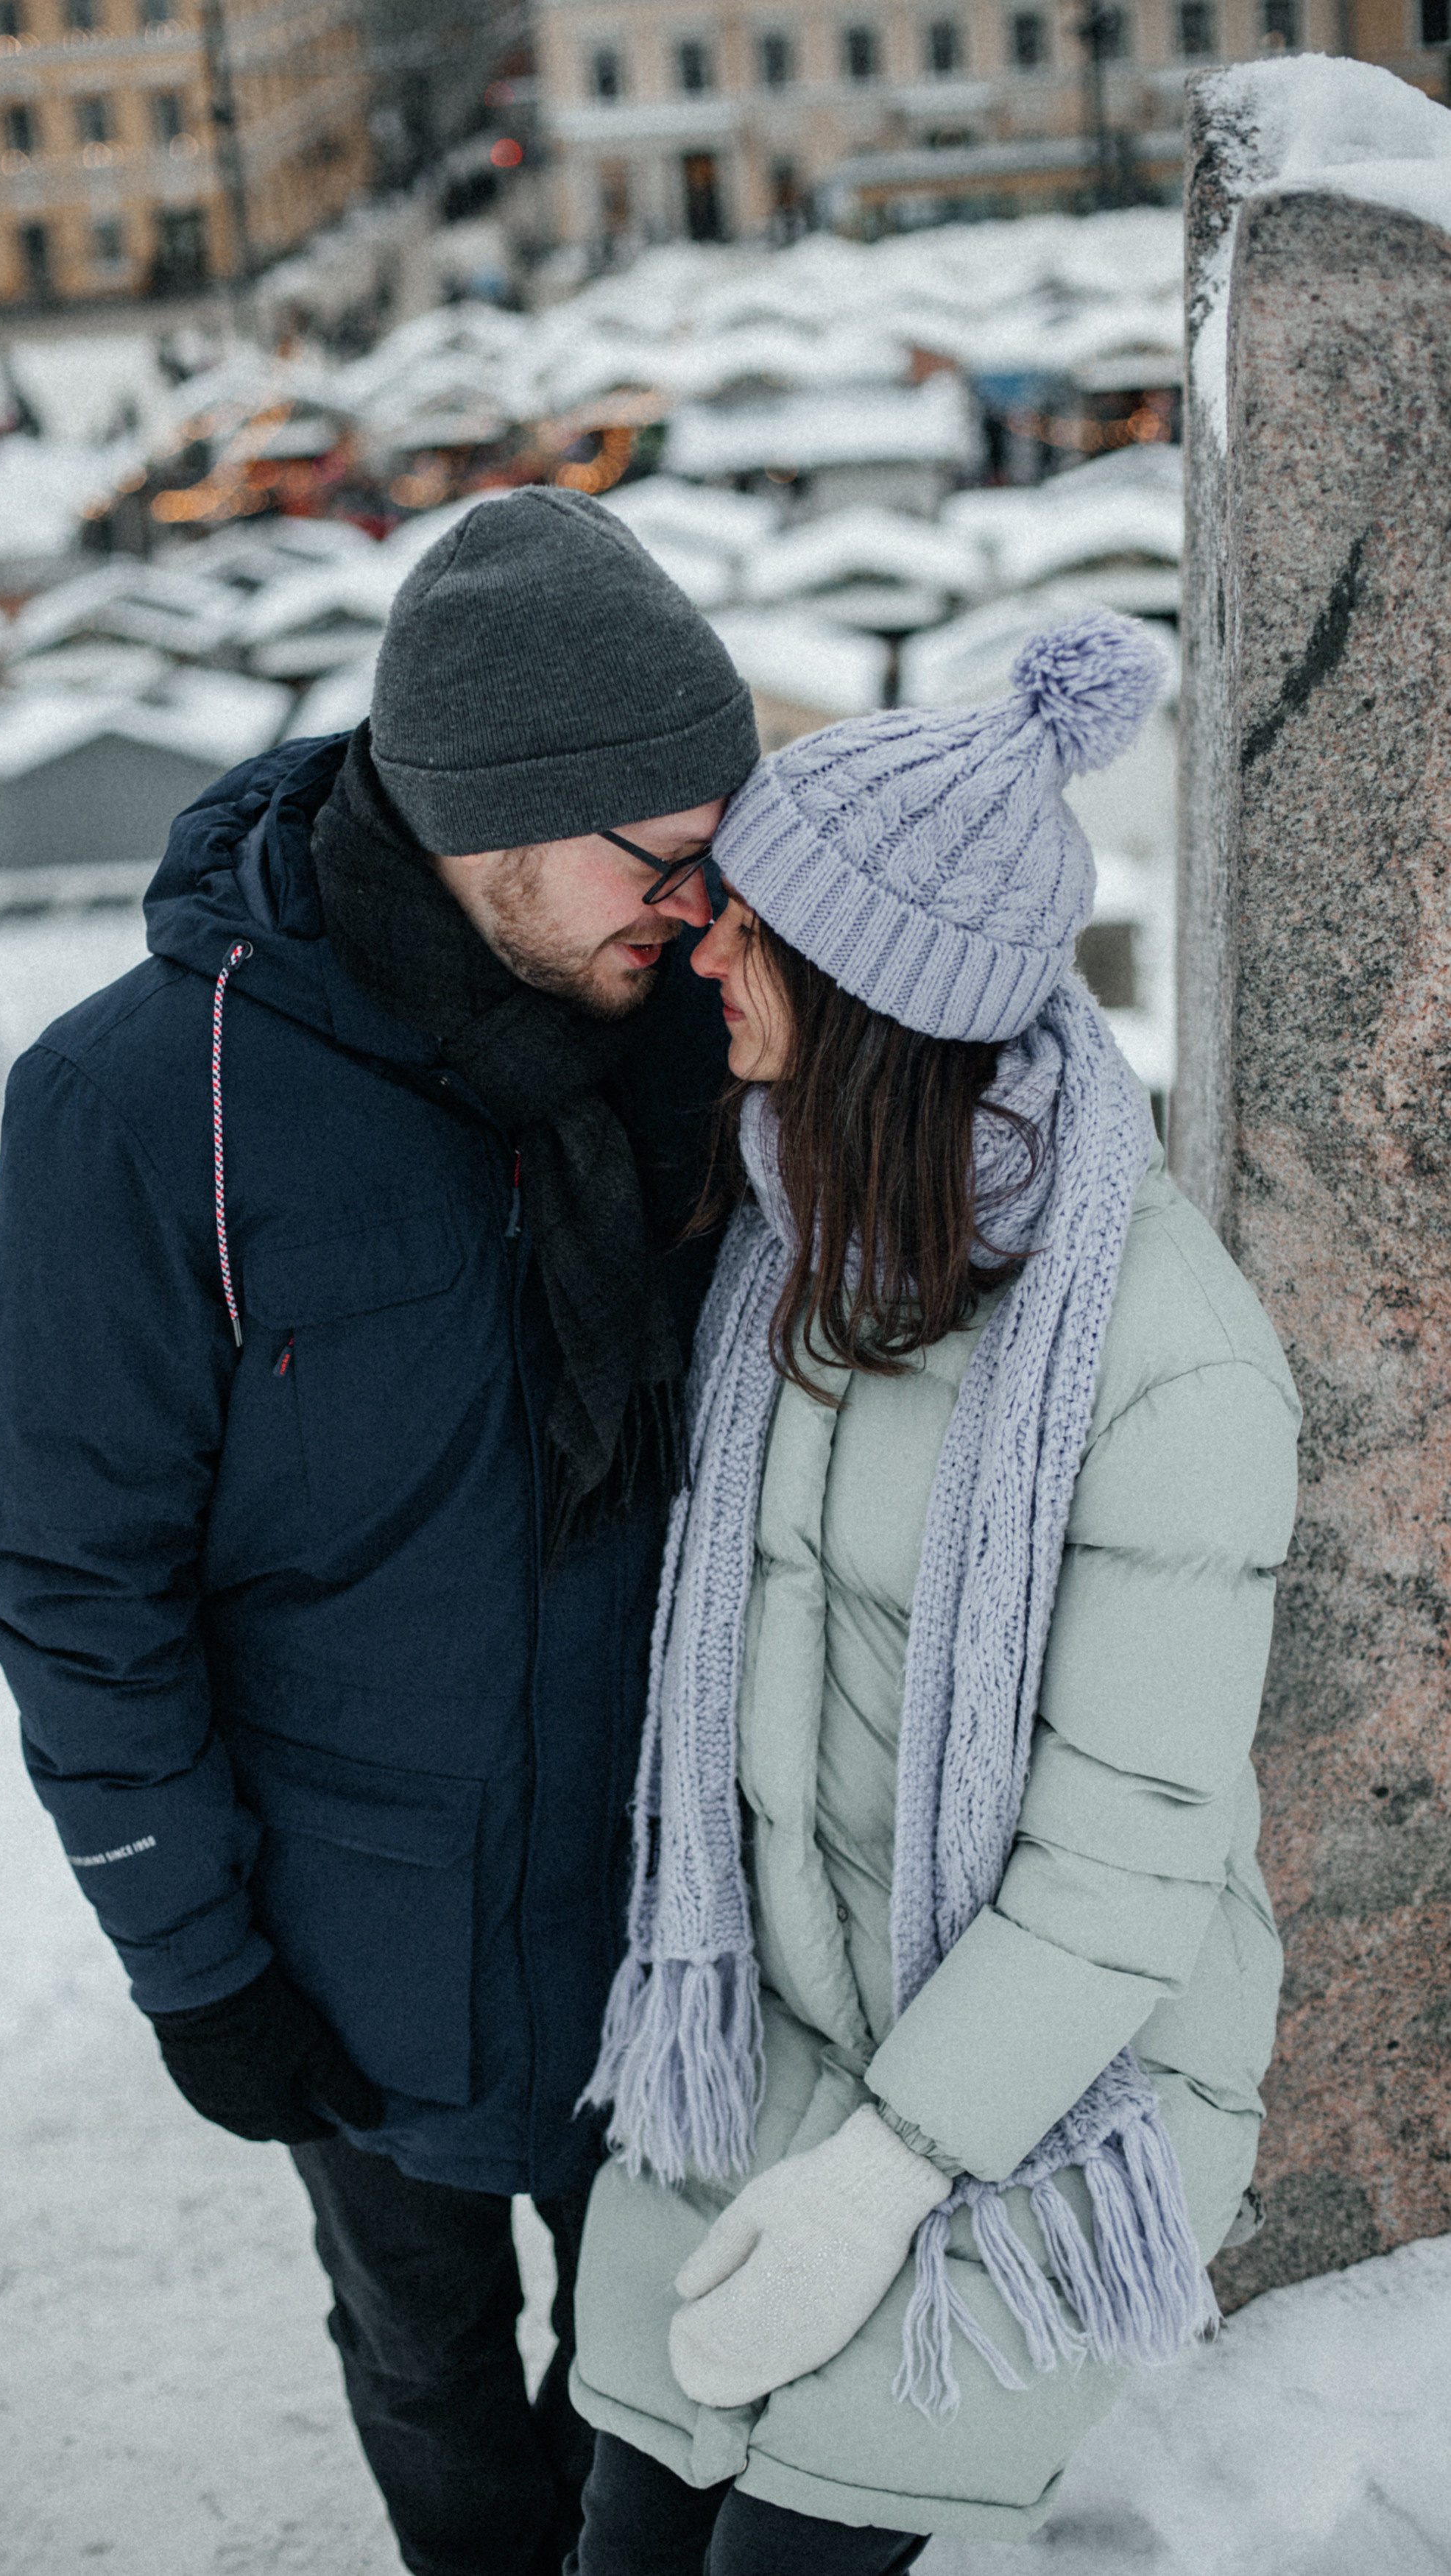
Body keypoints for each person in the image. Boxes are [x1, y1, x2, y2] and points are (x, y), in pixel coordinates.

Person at [0, 486, 761, 2576]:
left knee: (671, 2383)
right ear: (493, 820)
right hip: (350, 1953)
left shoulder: (709, 1029)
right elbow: (75, 1578)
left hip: (673, 1926)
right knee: (430, 2370)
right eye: (661, 854)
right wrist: (195, 1960)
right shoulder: (147, 1105)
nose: (707, 903)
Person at [566, 612, 1300, 2571]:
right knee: (624, 2528)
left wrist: (887, 2173)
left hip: (1064, 2098)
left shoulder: (1162, 1354)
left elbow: (1127, 1860)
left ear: (872, 988)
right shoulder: (793, 1244)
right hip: (796, 2027)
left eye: (754, 926)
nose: (705, 947)